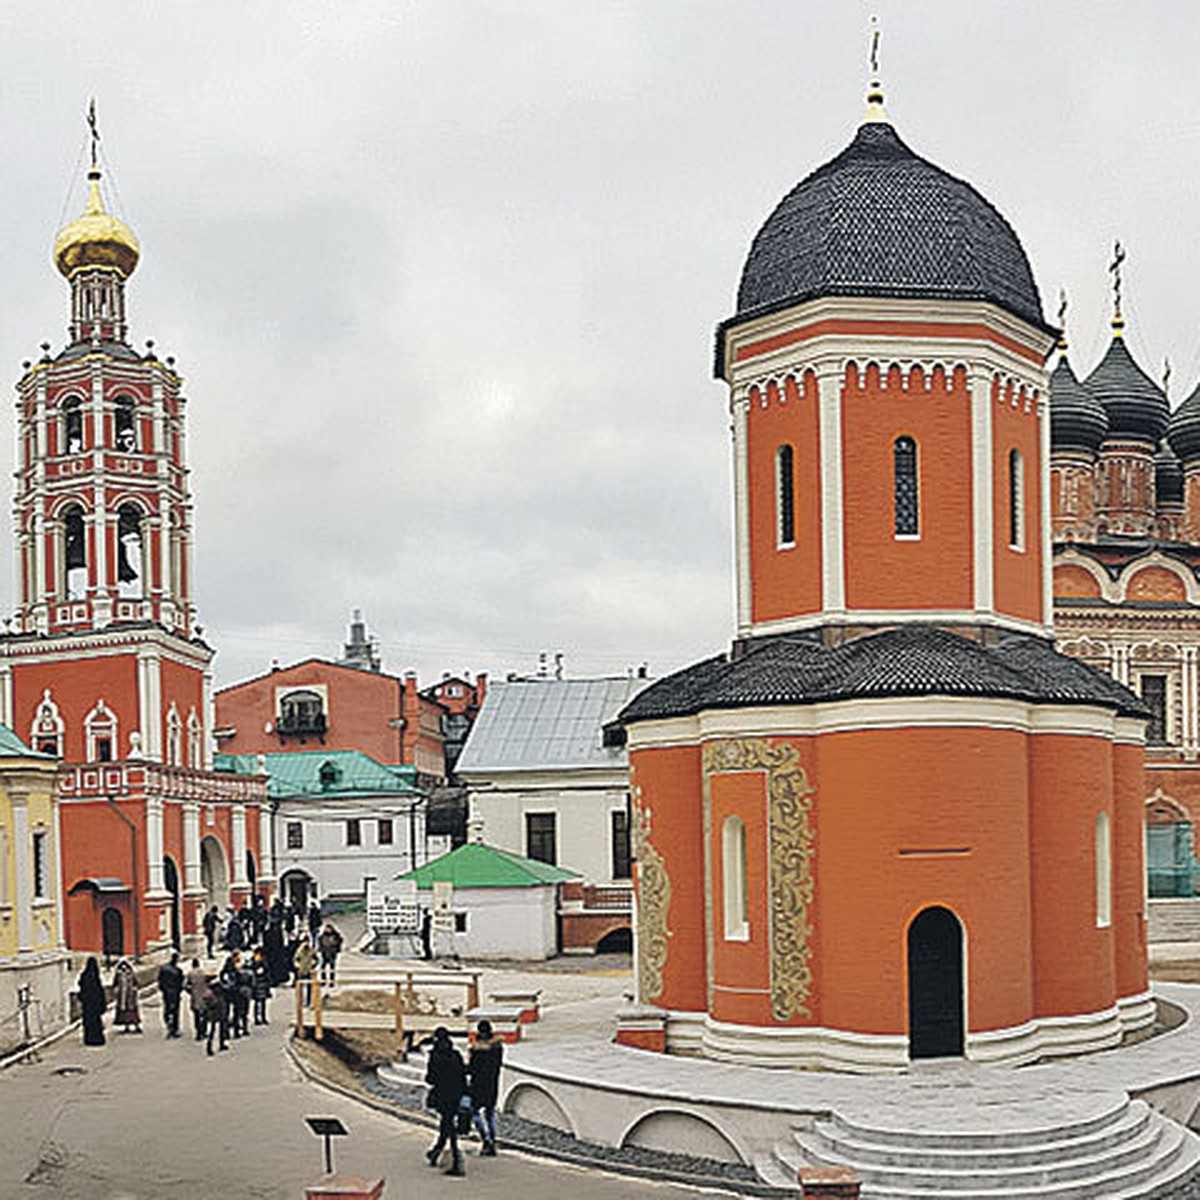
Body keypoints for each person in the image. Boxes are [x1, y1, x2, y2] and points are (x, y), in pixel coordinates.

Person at [425, 1026, 467, 1176]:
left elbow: (430, 1078)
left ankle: (457, 1160)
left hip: (442, 1095)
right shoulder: (455, 1054)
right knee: (446, 1122)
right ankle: (435, 1151)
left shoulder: (435, 1056)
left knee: (448, 1125)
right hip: (455, 1094)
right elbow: (463, 1074)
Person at [468, 1019, 504, 1155]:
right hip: (493, 1084)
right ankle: (492, 1142)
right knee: (490, 1115)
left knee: (474, 1113)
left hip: (477, 1085)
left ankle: (486, 1139)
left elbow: (471, 1068)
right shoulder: (498, 1048)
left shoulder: (476, 1049)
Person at [78, 957, 106, 1047]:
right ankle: (97, 1039)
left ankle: (89, 1039)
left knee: (88, 1022)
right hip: (95, 1004)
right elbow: (100, 991)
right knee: (96, 1022)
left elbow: (81, 987)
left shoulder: (84, 976)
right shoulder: (96, 977)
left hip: (87, 1004)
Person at [157, 951, 185, 1038]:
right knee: (175, 1011)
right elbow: (181, 983)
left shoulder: (164, 968)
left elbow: (160, 981)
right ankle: (174, 1028)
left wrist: (162, 989)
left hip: (166, 993)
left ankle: (169, 1024)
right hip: (175, 993)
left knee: (167, 1009)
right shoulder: (178, 971)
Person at [112, 959, 141, 1033]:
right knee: (124, 1011)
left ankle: (136, 1025)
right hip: (122, 996)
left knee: (132, 1011)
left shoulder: (130, 974)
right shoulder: (119, 974)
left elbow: (135, 984)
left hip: (130, 996)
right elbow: (115, 985)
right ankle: (126, 1026)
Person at [185, 958, 209, 1040]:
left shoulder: (190, 974)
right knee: (205, 1015)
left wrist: (190, 991)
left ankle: (198, 1032)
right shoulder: (203, 972)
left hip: (195, 997)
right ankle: (204, 1031)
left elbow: (185, 985)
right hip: (204, 996)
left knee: (197, 1016)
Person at [317, 922, 343, 987]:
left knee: (332, 968)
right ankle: (324, 981)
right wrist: (321, 950)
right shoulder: (322, 936)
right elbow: (320, 943)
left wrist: (336, 949)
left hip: (332, 953)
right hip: (325, 954)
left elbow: (339, 942)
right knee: (323, 968)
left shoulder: (335, 936)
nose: (327, 930)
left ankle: (331, 982)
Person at [293, 934, 317, 1003]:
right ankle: (300, 1001)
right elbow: (296, 959)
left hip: (309, 970)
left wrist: (313, 965)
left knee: (309, 987)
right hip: (301, 970)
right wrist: (298, 966)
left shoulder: (311, 950)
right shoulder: (299, 950)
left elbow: (316, 959)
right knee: (300, 987)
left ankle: (308, 1001)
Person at [250, 947, 271, 1025]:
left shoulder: (263, 962)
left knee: (263, 1002)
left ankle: (263, 1017)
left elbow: (267, 972)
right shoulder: (253, 962)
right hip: (257, 983)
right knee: (257, 1002)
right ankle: (257, 1018)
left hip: (263, 983)